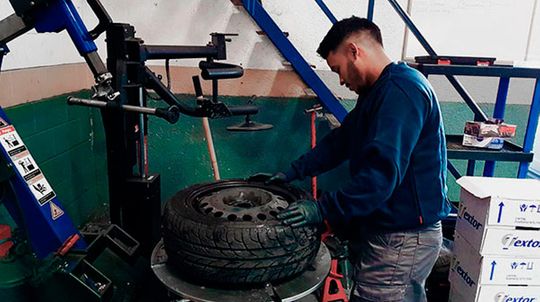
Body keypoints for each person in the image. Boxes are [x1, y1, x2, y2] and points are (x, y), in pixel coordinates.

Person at [254, 17, 450, 302]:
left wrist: (322, 209)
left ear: (354, 51)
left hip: (404, 236)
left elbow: (381, 176)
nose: (342, 80)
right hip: (387, 226)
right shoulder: (379, 91)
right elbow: (342, 141)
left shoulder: (400, 92)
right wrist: (291, 172)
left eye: (338, 70)